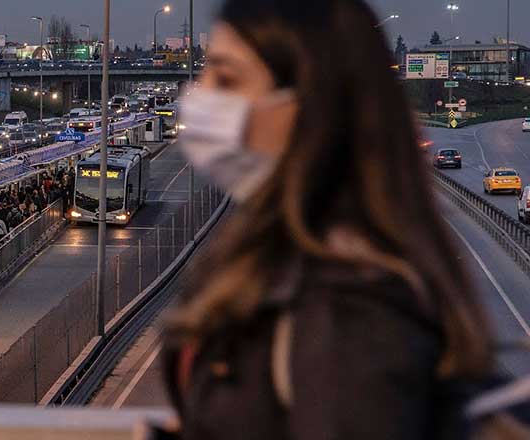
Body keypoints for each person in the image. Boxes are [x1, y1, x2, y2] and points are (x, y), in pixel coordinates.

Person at [162, 1, 492, 439]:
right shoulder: (278, 253)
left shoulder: (351, 320)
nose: (197, 98)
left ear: (310, 109)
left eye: (225, 79)